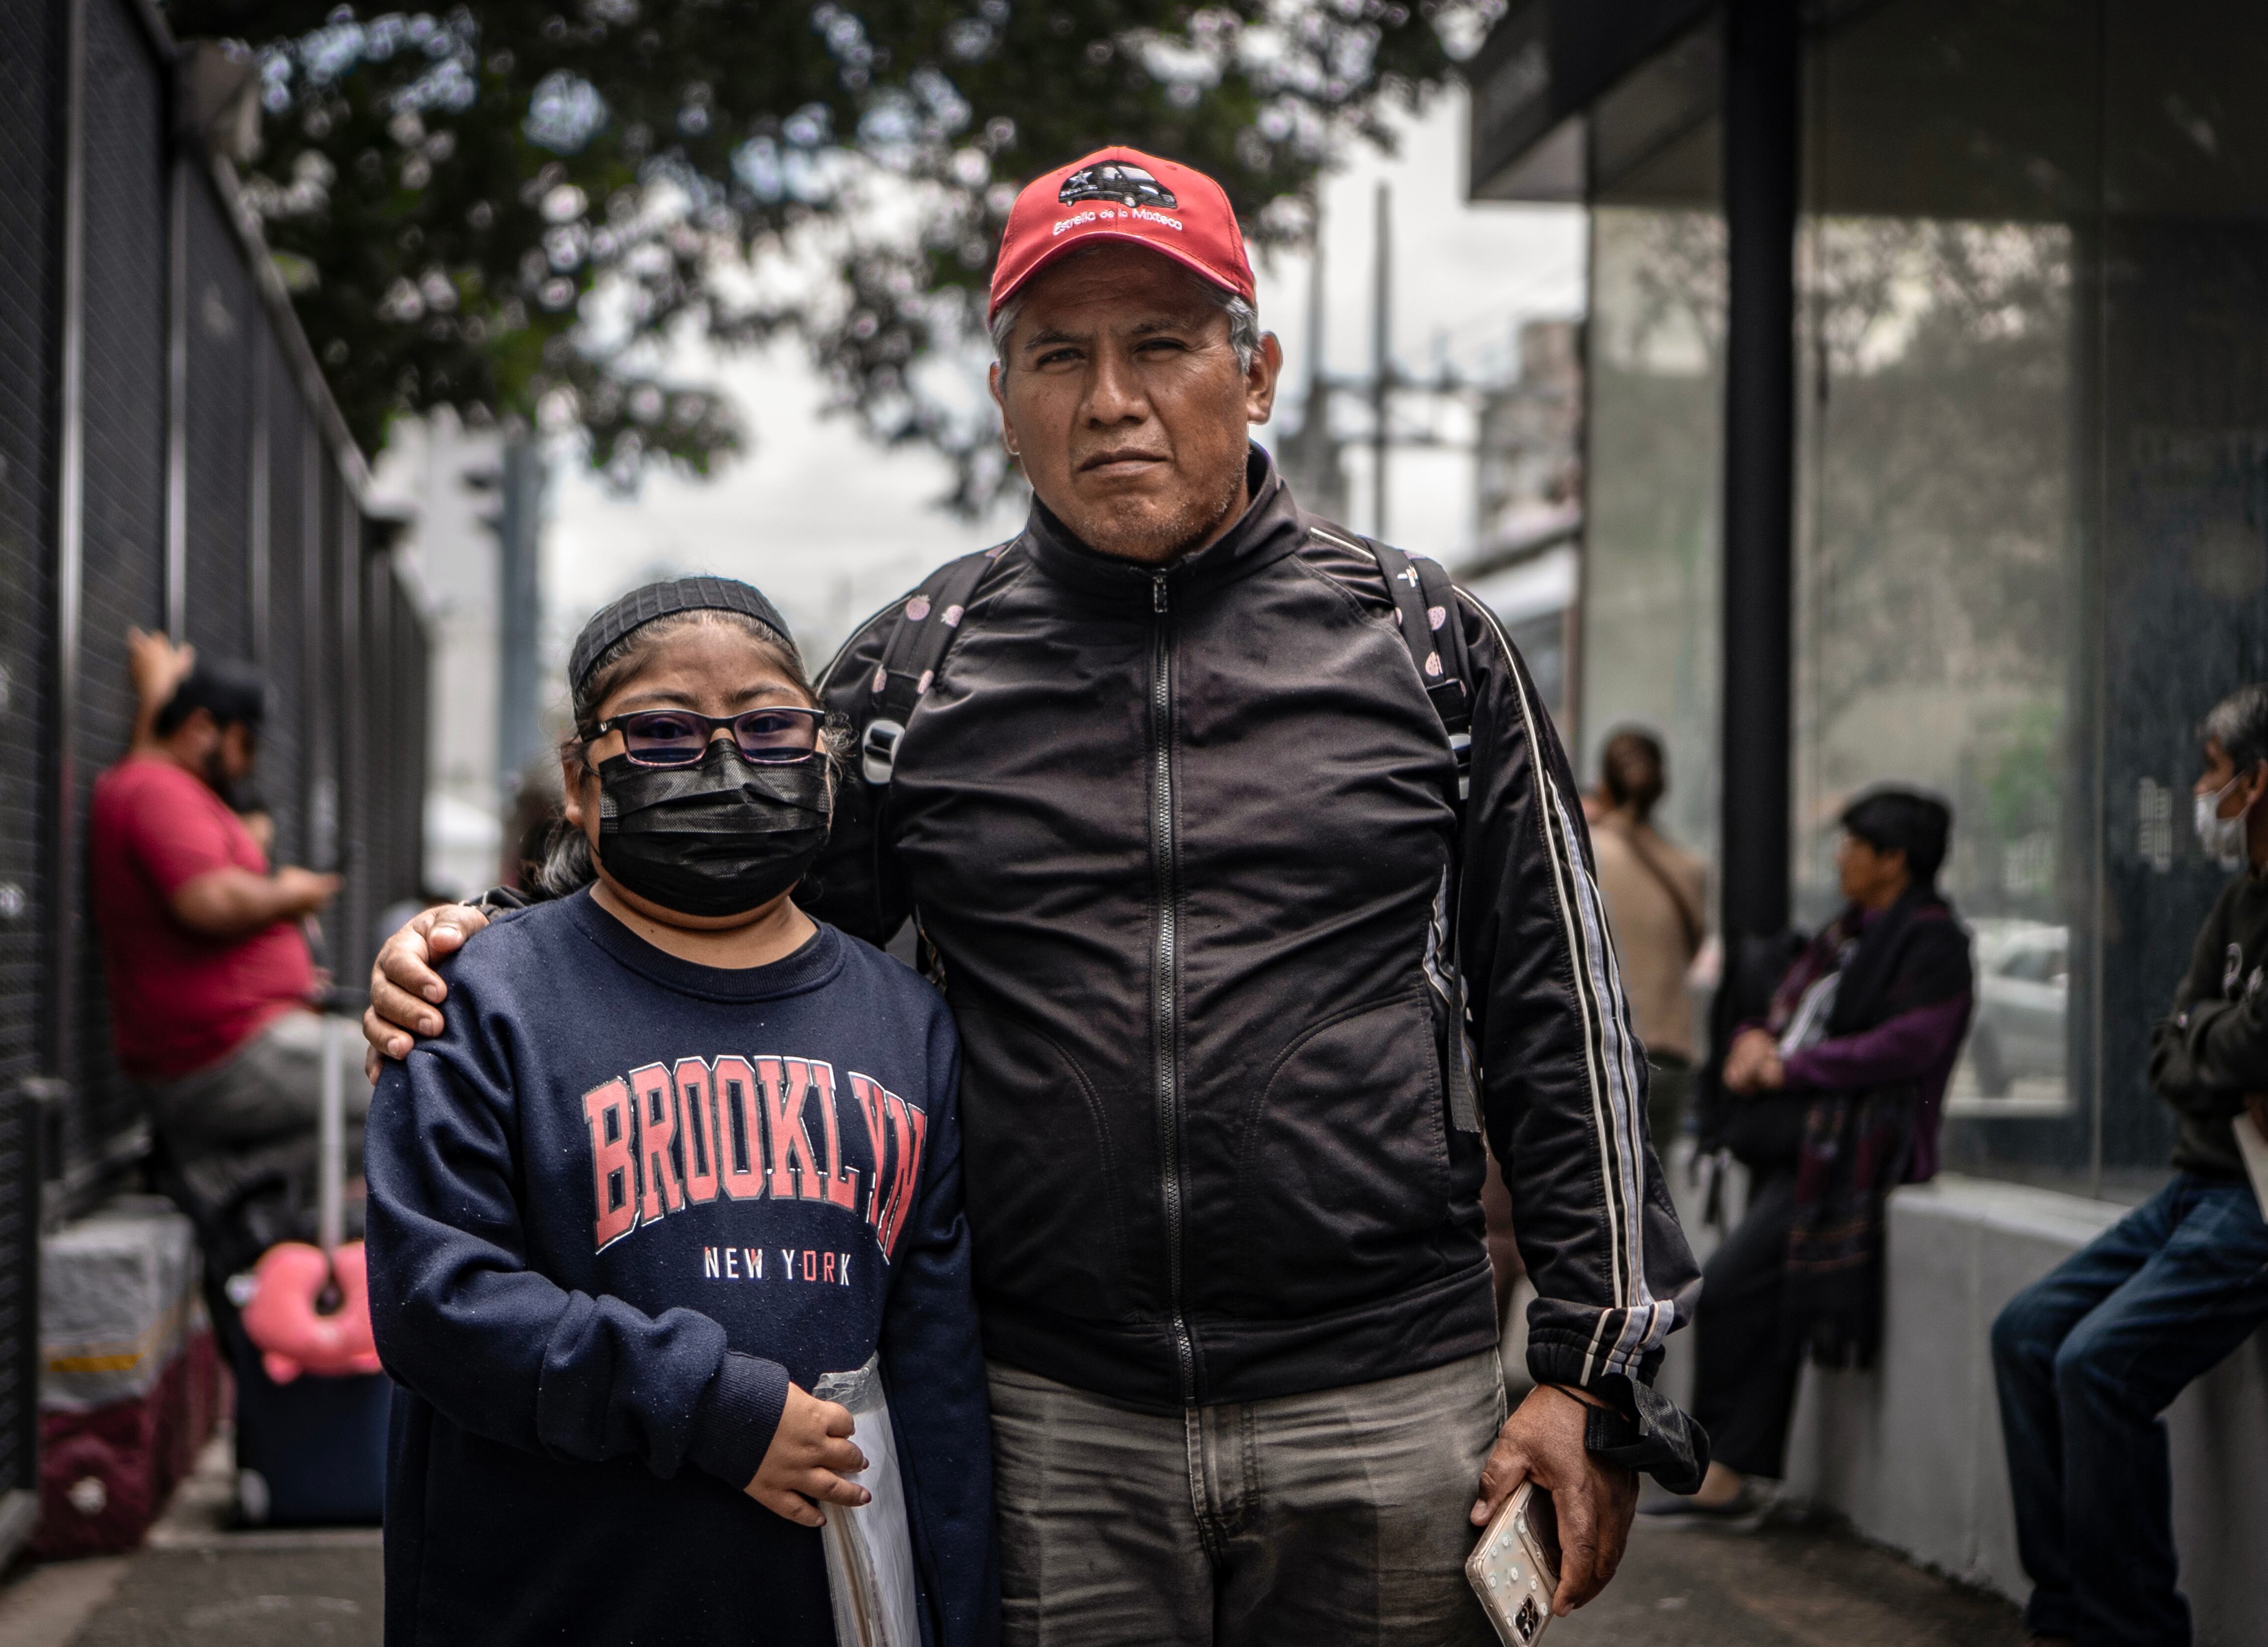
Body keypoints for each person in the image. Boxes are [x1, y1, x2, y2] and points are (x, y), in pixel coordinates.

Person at [368, 145, 1704, 1642]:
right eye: (1057, 354)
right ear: (1002, 401)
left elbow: (1561, 1018)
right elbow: (713, 915)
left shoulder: (1424, 646)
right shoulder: (910, 673)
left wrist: (1587, 1370)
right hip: (1053, 1422)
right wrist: (487, 945)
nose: (1111, 397)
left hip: (1387, 1407)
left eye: (1162, 345)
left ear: (1253, 371)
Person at [364, 580, 992, 1647]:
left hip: (813, 1599)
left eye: (769, 724)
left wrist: (960, 1606)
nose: (724, 759)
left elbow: (935, 1366)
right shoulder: (476, 994)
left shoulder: (906, 1020)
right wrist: (718, 1409)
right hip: (544, 1592)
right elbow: (436, 1300)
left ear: (822, 754)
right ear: (580, 778)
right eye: (661, 733)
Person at [1990, 684, 2268, 1647]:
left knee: (2098, 1364)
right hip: (2196, 1184)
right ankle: (2067, 1604)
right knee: (2025, 1332)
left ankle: (2132, 1626)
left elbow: (2237, 1048)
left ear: (2258, 781)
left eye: (2212, 767)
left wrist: (2212, 1045)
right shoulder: (2236, 901)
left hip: (2255, 1203)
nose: (2200, 788)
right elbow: (2172, 1046)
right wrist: (2214, 1049)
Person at [1658, 787, 1972, 1517]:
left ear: (1894, 860)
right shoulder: (1846, 932)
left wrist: (1792, 1069)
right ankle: (1727, 1473)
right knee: (1762, 1294)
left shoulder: (1934, 942)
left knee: (1733, 1285)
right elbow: (1785, 1007)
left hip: (1853, 1158)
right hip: (1802, 1147)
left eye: (1854, 845)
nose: (1840, 857)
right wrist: (1749, 1043)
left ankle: (1723, 1473)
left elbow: (1907, 1045)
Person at [91, 630, 345, 1255]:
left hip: (250, 1037)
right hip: (223, 1053)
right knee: (417, 1079)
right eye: (245, 742)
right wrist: (291, 893)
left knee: (411, 1094)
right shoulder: (155, 789)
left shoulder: (166, 786)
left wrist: (155, 697)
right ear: (205, 727)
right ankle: (216, 1180)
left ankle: (219, 1175)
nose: (249, 761)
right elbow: (206, 901)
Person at [1587, 729, 1708, 1154]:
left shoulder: (1586, 854)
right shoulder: (1689, 868)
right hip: (1671, 1052)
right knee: (1659, 1196)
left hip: (1606, 1051)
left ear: (1603, 785)